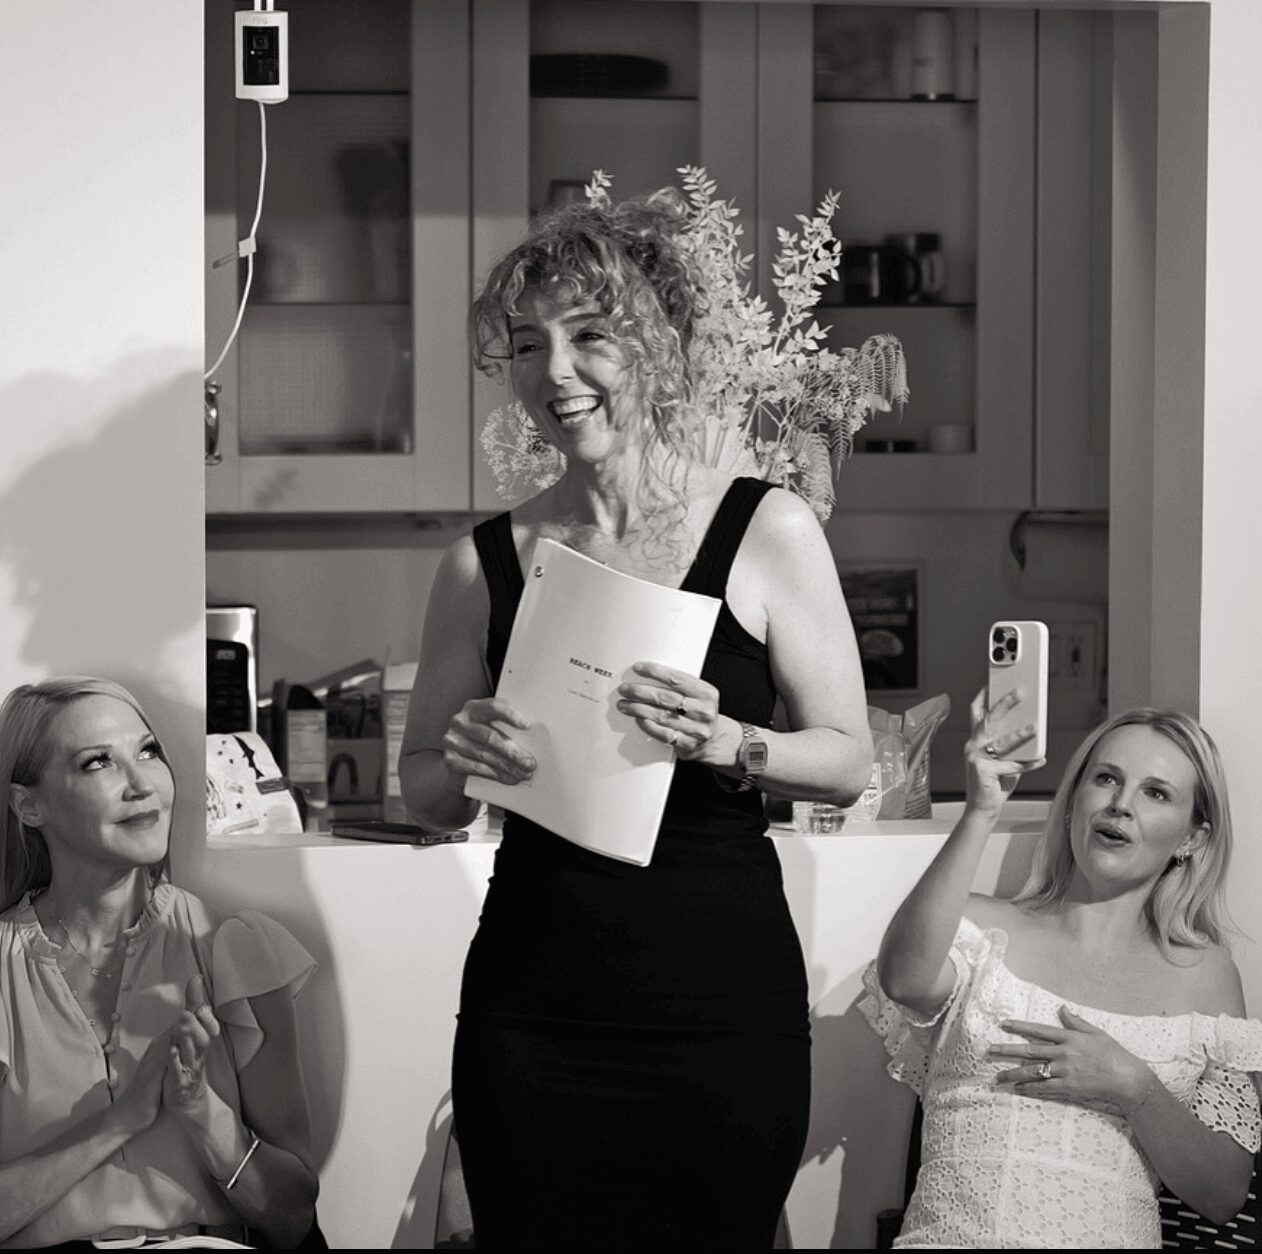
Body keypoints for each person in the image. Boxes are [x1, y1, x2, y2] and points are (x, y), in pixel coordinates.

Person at [399, 192, 874, 1248]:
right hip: (532, 1009)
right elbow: (424, 792)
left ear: (660, 345)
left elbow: (848, 761)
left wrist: (730, 743)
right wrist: (461, 761)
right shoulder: (479, 564)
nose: (555, 371)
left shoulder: (769, 529)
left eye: (589, 336)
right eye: (529, 344)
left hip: (720, 1008)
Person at [862, 696, 1262, 1249]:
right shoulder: (978, 927)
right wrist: (981, 811)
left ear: (1192, 838)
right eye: (1106, 778)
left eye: (1156, 793)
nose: (1120, 805)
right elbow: (903, 981)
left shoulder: (1206, 974)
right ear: (1073, 800)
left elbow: (1223, 1195)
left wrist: (1133, 1086)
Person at [0, 676, 321, 1249]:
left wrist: (203, 1113)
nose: (142, 784)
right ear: (28, 805)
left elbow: (294, 1218)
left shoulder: (236, 951)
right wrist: (119, 1120)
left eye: (148, 752)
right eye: (98, 762)